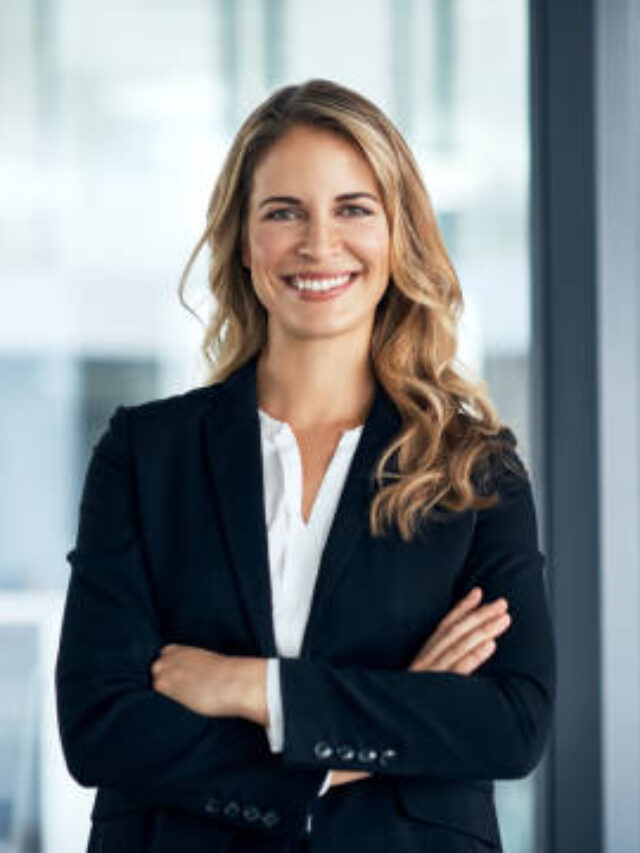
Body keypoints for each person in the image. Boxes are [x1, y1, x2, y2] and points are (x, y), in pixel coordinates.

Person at [55, 78, 556, 852]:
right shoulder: (144, 454)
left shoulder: (471, 469)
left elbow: (511, 722)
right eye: (283, 211)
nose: (319, 244)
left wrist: (251, 687)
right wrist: (386, 719)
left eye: (353, 208)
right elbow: (100, 725)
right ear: (243, 239)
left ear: (399, 236)